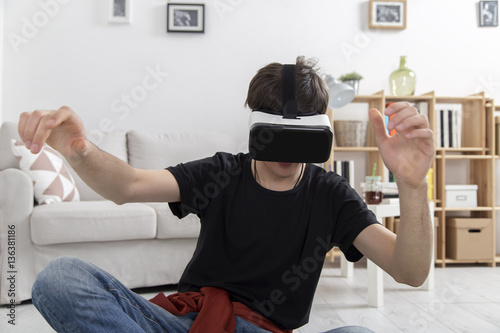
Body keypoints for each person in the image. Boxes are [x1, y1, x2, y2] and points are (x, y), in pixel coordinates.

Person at [19, 56, 434, 333]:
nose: (287, 156)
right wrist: (79, 149)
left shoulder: (330, 195)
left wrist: (414, 187)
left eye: (301, 141)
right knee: (60, 278)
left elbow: (409, 271)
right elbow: (128, 186)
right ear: (257, 130)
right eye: (277, 139)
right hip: (187, 323)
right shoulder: (223, 173)